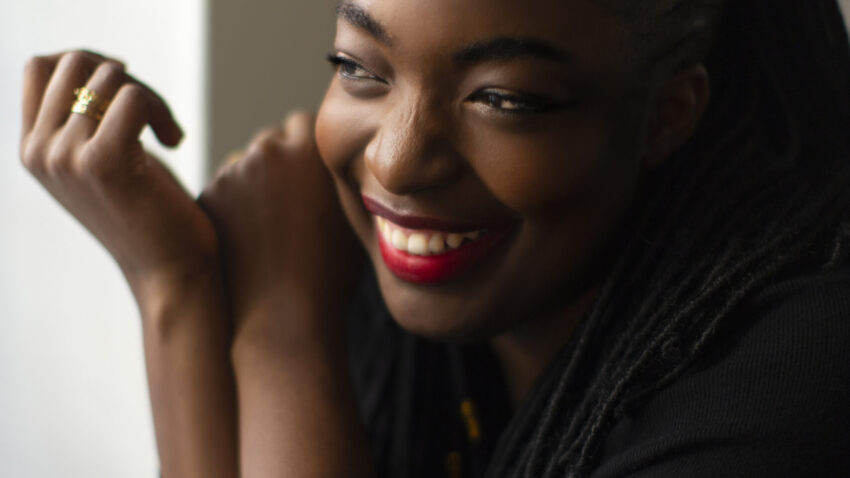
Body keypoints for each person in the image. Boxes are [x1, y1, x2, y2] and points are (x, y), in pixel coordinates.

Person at [18, 0, 850, 476]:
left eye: (505, 99)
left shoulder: (786, 396)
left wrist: (283, 333)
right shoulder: (410, 331)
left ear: (670, 112)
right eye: (359, 69)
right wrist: (178, 287)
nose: (398, 160)